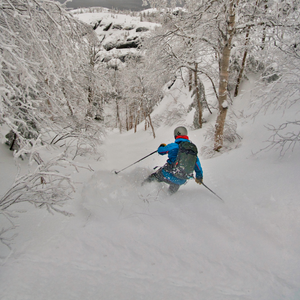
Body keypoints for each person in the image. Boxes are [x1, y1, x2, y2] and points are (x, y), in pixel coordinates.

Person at [142, 126, 203, 194]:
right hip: (181, 179)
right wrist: (199, 177)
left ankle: (141, 188)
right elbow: (197, 165)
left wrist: (162, 146)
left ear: (176, 135)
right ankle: (167, 199)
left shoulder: (174, 146)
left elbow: (161, 151)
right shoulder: (192, 149)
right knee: (170, 193)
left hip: (168, 174)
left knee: (153, 177)